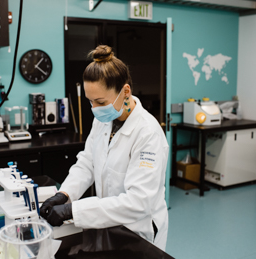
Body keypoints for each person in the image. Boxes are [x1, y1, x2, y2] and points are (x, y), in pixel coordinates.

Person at [41, 45, 169, 250]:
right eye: (90, 101)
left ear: (125, 91)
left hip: (138, 229)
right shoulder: (103, 119)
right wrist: (64, 194)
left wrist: (73, 211)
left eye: (100, 101)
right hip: (108, 223)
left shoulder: (148, 133)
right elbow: (87, 162)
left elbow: (138, 202)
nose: (95, 109)